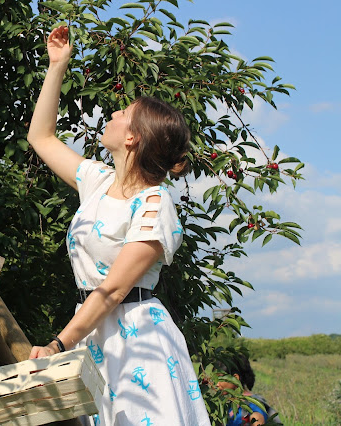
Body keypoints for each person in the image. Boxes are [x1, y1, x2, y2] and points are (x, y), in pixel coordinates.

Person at [27, 26, 211, 425]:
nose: (112, 114)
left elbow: (112, 290)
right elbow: (40, 138)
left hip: (137, 342)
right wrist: (57, 66)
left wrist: (58, 344)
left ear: (133, 138)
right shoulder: (98, 182)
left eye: (123, 113)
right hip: (91, 334)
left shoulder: (154, 204)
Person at [218, 353, 280, 425]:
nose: (217, 384)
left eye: (220, 379)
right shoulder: (230, 405)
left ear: (235, 378)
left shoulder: (253, 406)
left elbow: (257, 420)